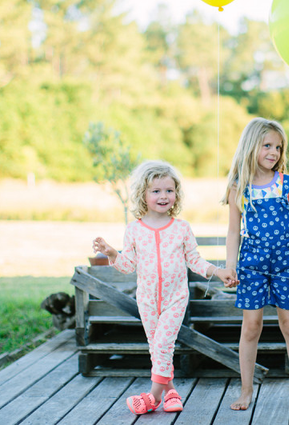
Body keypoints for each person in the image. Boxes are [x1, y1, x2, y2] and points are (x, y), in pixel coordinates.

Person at [93, 160, 234, 415]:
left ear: (176, 194)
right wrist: (112, 253)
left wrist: (218, 271)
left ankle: (151, 396)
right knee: (156, 346)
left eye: (169, 190)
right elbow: (127, 265)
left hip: (174, 299)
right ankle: (171, 393)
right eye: (156, 191)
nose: (163, 196)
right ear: (143, 195)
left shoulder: (181, 229)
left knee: (162, 345)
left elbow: (195, 260)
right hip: (146, 300)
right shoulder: (134, 229)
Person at [222, 118, 289, 411]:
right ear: (252, 146)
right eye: (267, 145)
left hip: (286, 263)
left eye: (278, 147)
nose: (274, 152)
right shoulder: (239, 186)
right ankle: (246, 390)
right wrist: (230, 265)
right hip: (251, 265)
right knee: (251, 326)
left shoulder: (287, 183)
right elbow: (234, 231)